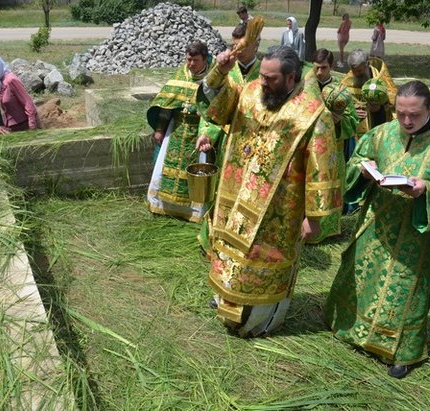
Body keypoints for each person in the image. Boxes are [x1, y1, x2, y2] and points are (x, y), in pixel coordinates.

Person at [324, 80, 430, 379]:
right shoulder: (381, 133)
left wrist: (427, 189)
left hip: (416, 236)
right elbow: (354, 162)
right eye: (400, 113)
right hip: (376, 221)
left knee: (405, 291)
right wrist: (363, 170)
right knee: (363, 274)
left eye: (414, 115)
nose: (406, 121)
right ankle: (351, 329)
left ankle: (401, 352)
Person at [196, 46, 340, 337]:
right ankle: (226, 299)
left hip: (278, 208)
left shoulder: (312, 113)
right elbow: (214, 110)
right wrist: (219, 71)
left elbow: (321, 168)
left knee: (261, 259)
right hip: (235, 194)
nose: (263, 83)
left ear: (291, 78)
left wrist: (314, 218)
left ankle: (256, 321)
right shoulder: (250, 92)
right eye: (261, 76)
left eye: (271, 79)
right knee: (231, 250)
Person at [197, 23, 262, 250]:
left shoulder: (268, 72)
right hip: (229, 143)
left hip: (259, 147)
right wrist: (207, 133)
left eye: (242, 45)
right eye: (234, 44)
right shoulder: (227, 68)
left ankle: (244, 244)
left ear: (256, 44)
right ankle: (215, 240)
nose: (237, 50)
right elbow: (211, 104)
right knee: (221, 192)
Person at [146, 40, 212, 223]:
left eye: (195, 60)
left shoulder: (213, 78)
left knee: (196, 171)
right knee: (165, 168)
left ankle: (193, 212)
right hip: (175, 130)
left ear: (204, 59)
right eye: (188, 59)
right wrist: (159, 130)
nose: (190, 64)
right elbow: (167, 105)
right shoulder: (181, 75)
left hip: (200, 134)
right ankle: (165, 207)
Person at [306, 48, 360, 242]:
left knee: (329, 186)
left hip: (332, 149)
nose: (320, 72)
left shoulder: (341, 92)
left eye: (324, 68)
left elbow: (353, 121)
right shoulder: (305, 87)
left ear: (331, 66)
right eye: (317, 68)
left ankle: (326, 230)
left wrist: (339, 122)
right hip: (306, 148)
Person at [341, 48, 397, 139]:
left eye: (359, 71)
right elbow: (341, 106)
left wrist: (380, 107)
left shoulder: (381, 77)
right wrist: (352, 112)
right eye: (354, 71)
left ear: (367, 64)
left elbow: (393, 100)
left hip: (379, 124)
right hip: (357, 132)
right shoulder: (346, 83)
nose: (356, 74)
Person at [0, 53, 40, 132]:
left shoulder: (11, 80)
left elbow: (28, 103)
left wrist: (32, 126)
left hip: (24, 126)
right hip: (12, 128)